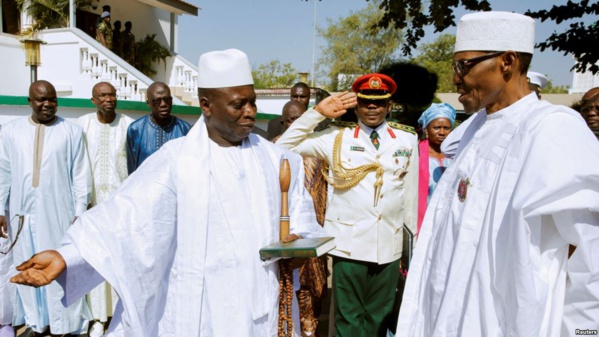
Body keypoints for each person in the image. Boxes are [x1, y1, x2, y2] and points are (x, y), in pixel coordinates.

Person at [10, 49, 330, 337]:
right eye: (238, 104)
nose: (250, 112)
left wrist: (298, 240)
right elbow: (125, 219)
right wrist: (67, 256)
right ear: (206, 105)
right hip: (200, 311)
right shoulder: (177, 161)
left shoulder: (278, 161)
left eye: (252, 102)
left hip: (259, 305)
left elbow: (301, 219)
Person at [396, 12, 599, 337]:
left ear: (507, 62)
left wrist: (582, 332)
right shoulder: (473, 130)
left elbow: (592, 251)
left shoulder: (551, 129)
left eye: (464, 65)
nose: (455, 78)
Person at [277, 73, 418, 337]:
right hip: (349, 247)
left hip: (389, 245)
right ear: (356, 106)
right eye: (365, 102)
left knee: (379, 318)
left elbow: (408, 197)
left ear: (389, 105)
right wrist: (317, 113)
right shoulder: (336, 138)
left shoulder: (406, 140)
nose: (372, 107)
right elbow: (283, 146)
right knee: (348, 320)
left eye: (379, 102)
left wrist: (409, 247)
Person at [0, 80, 92, 335]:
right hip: (21, 212)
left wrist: (79, 211)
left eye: (52, 99)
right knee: (26, 265)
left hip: (58, 211)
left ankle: (66, 324)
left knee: (58, 266)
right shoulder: (10, 131)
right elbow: (3, 172)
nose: (47, 104)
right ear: (29, 101)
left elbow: (80, 175)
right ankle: (35, 322)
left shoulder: (71, 131)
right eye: (41, 100)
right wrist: (0, 208)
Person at [76, 82, 133, 337]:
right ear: (93, 100)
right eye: (102, 95)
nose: (108, 99)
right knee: (96, 260)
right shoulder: (82, 125)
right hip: (92, 206)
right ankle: (98, 317)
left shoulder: (129, 124)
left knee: (121, 261)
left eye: (112, 94)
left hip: (122, 208)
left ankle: (120, 316)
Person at [273, 100, 328, 336]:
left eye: (299, 119)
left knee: (313, 294)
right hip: (285, 238)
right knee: (284, 298)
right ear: (284, 122)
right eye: (290, 120)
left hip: (314, 235)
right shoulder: (273, 148)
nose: (294, 124)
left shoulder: (321, 147)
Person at [126, 82, 190, 173]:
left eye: (167, 99)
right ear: (148, 103)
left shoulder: (184, 129)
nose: (163, 104)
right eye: (157, 101)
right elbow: (132, 167)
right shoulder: (136, 129)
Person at [416, 103, 456, 234]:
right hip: (423, 216)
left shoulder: (457, 154)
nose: (442, 132)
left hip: (449, 216)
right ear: (426, 130)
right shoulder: (415, 153)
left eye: (446, 128)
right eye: (437, 127)